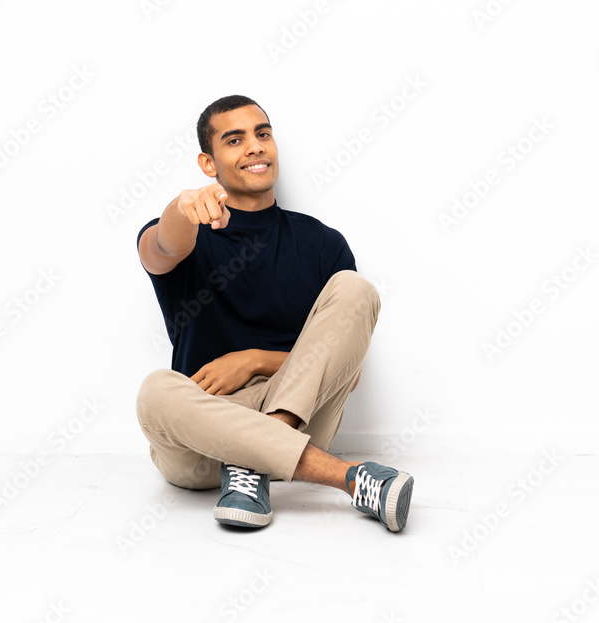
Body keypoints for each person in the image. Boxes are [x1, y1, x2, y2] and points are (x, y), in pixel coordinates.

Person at [134, 95, 413, 532]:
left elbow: (348, 372)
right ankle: (346, 477)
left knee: (355, 287)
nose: (255, 146)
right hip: (203, 435)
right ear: (208, 164)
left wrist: (256, 360)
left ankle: (255, 464)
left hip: (297, 415)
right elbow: (162, 247)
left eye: (263, 134)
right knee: (155, 391)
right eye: (235, 139)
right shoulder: (189, 236)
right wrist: (182, 207)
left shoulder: (322, 243)